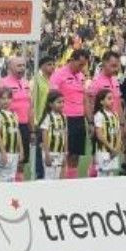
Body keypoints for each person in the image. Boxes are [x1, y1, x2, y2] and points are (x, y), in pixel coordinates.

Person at [50, 49, 89, 177]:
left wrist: (90, 120)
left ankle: (72, 182)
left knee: (76, 155)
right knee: (64, 153)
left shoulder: (81, 77)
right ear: (72, 60)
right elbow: (52, 97)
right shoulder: (58, 75)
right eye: (80, 64)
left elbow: (84, 99)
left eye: (84, 65)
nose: (81, 68)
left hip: (79, 119)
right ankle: (61, 182)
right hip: (65, 119)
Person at [0, 56, 31, 177]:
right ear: (10, 67)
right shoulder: (3, 83)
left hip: (24, 125)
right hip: (9, 127)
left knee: (22, 161)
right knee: (9, 161)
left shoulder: (26, 83)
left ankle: (17, 190)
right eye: (19, 66)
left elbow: (29, 106)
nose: (22, 68)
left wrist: (31, 129)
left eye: (23, 65)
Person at [30, 55, 60, 179]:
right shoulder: (35, 81)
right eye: (49, 64)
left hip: (52, 120)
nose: (52, 67)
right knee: (41, 150)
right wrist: (35, 120)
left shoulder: (53, 81)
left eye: (53, 64)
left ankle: (51, 175)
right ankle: (39, 175)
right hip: (40, 120)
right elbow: (32, 102)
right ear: (41, 66)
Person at [0, 86, 22, 183]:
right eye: (3, 98)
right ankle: (1, 198)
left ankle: (9, 198)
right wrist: (3, 152)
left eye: (8, 98)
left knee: (12, 178)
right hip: (3, 152)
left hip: (14, 152)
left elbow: (17, 133)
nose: (6, 101)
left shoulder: (14, 115)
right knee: (3, 178)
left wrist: (21, 149)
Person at [38, 91, 68, 180]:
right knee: (49, 177)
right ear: (50, 104)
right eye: (59, 102)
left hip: (60, 153)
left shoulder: (64, 117)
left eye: (63, 102)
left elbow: (65, 135)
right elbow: (45, 136)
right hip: (50, 152)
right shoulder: (48, 117)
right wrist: (47, 154)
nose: (62, 104)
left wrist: (65, 153)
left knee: (58, 177)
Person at [92, 89, 123, 177]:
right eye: (109, 99)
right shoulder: (99, 115)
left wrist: (117, 147)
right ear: (101, 101)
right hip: (104, 151)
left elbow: (118, 132)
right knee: (102, 175)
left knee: (111, 174)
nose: (112, 101)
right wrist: (111, 148)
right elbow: (99, 135)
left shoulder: (115, 115)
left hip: (114, 151)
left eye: (112, 98)